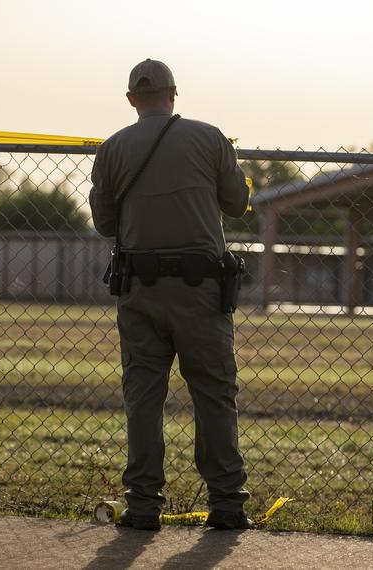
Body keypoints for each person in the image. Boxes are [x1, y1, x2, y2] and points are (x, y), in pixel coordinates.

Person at [89, 59, 252, 531]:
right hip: (201, 291)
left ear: (131, 99)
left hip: (139, 289)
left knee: (143, 397)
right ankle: (226, 504)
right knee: (214, 393)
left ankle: (142, 506)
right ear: (174, 92)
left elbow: (104, 224)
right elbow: (237, 204)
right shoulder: (209, 138)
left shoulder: (112, 149)